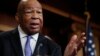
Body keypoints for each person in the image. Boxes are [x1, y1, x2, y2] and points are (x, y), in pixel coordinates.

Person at [0, 0, 86, 56]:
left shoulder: (54, 48)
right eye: (29, 12)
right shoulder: (2, 39)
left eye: (39, 12)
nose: (35, 16)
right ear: (18, 17)